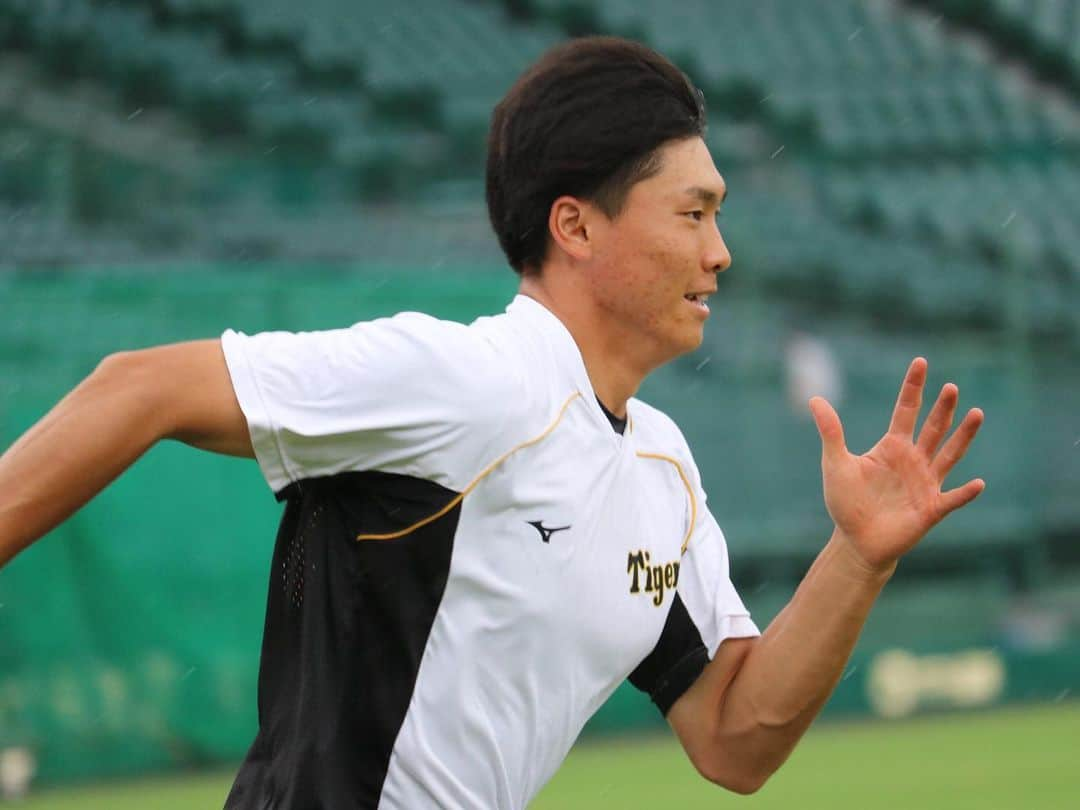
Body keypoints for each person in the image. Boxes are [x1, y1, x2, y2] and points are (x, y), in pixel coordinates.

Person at [0, 36, 985, 809]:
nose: (721, 253)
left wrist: (858, 557)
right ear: (576, 226)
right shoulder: (467, 379)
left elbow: (734, 737)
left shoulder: (662, 470)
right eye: (692, 215)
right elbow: (138, 387)